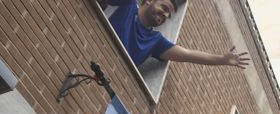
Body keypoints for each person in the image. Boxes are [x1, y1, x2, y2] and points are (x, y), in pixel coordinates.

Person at [102, 0, 251, 70]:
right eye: (164, 7)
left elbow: (188, 54)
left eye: (168, 14)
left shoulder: (155, 40)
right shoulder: (128, 4)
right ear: (148, 1)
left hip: (113, 74)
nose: (166, 14)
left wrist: (221, 60)